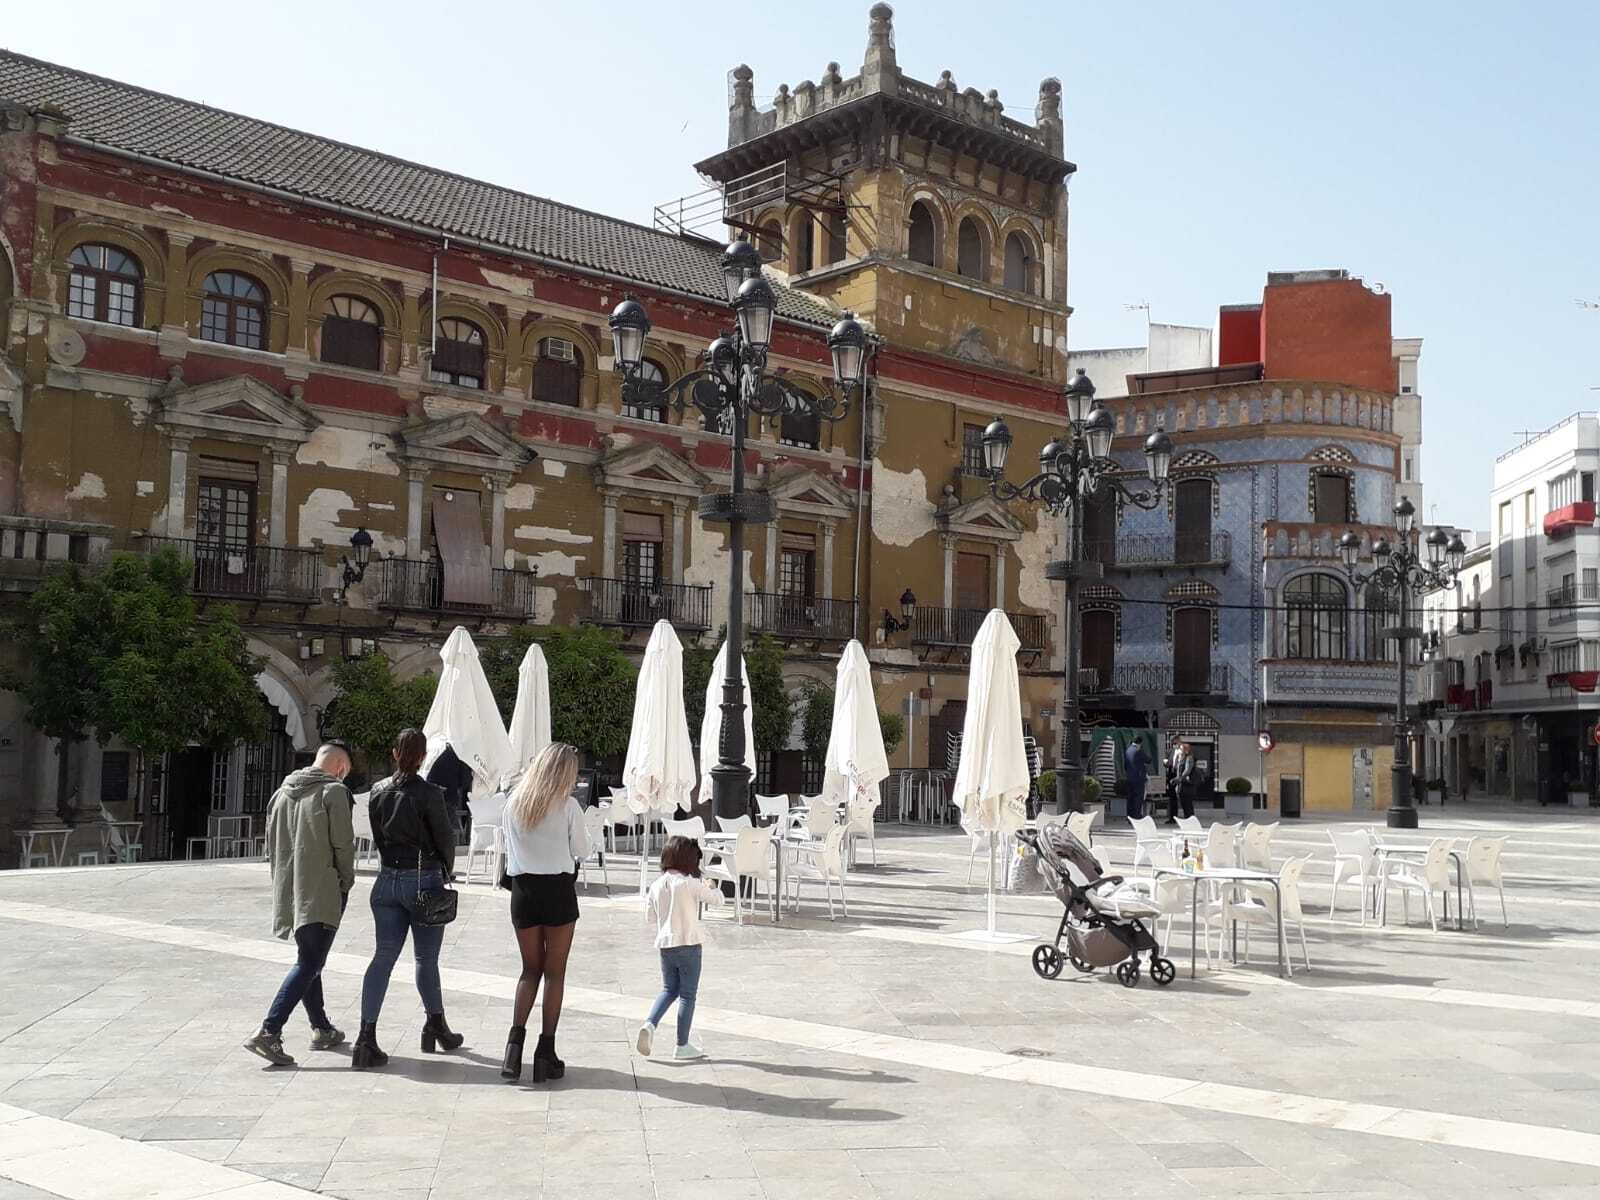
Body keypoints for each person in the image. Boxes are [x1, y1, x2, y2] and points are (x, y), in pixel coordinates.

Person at [352, 728, 463, 1070]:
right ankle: (435, 1024)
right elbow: (445, 838)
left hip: (386, 879)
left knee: (382, 957)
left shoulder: (378, 791)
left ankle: (365, 1037)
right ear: (423, 756)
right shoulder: (430, 794)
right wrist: (445, 870)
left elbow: (376, 831)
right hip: (422, 878)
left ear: (394, 752)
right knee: (425, 958)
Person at [244, 742, 356, 1067]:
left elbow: (270, 846)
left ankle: (321, 1028)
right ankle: (269, 1030)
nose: (344, 775)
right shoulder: (333, 793)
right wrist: (345, 882)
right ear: (338, 765)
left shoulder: (280, 794)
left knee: (309, 958)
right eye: (345, 769)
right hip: (321, 890)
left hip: (290, 891)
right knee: (310, 962)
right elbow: (343, 845)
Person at [499, 742, 590, 1083]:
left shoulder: (513, 805)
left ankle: (512, 1049)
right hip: (558, 890)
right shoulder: (568, 808)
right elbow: (581, 850)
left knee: (529, 971)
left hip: (523, 892)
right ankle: (544, 1052)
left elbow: (508, 852)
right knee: (555, 973)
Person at [637, 835, 723, 1062]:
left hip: (666, 946)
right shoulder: (689, 883)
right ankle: (682, 1045)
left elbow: (649, 917)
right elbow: (717, 900)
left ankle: (650, 1024)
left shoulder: (656, 885)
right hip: (689, 944)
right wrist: (712, 886)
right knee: (687, 995)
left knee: (669, 990)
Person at [1123, 739, 1150, 820]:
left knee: (1130, 797)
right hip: (1139, 778)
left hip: (1129, 778)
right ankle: (1136, 815)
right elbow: (1148, 760)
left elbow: (1125, 765)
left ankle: (1129, 816)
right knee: (1138, 797)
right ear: (1139, 743)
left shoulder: (1127, 751)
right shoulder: (1138, 751)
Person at [1167, 743, 1192, 825]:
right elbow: (1176, 769)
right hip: (1180, 784)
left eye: (1181, 749)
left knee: (1187, 803)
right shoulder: (1181, 758)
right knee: (1183, 802)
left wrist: (1178, 779)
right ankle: (1187, 819)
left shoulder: (1189, 758)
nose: (1179, 750)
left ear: (1186, 750)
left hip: (1185, 784)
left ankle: (1190, 820)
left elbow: (1187, 771)